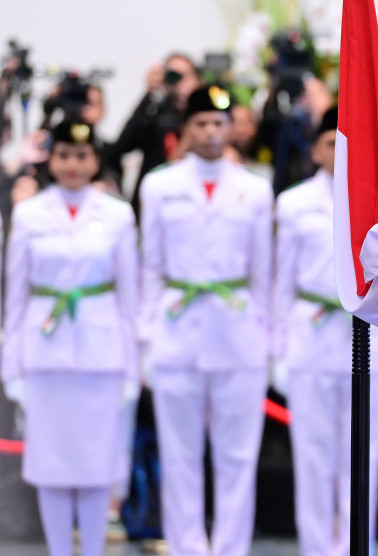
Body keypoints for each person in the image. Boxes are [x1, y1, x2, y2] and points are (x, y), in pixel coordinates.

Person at [138, 85, 272, 556]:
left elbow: (264, 270)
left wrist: (267, 336)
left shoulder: (255, 187)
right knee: (179, 456)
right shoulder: (159, 185)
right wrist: (146, 338)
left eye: (219, 123)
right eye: (201, 123)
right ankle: (187, 547)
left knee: (238, 455)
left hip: (238, 332)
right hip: (177, 330)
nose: (211, 132)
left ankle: (231, 548)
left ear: (231, 127)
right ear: (186, 130)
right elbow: (150, 266)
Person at [272, 106, 378, 555]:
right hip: (310, 337)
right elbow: (279, 280)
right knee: (312, 455)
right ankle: (316, 548)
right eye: (331, 143)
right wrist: (277, 350)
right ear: (315, 149)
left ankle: (359, 547)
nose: (339, 152)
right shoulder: (292, 203)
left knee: (362, 454)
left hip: (369, 333)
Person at [2, 119, 139, 556]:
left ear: (96, 161)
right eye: (64, 155)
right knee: (51, 465)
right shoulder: (29, 213)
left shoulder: (118, 213)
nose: (73, 165)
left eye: (82, 156)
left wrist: (132, 370)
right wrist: (11, 366)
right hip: (45, 356)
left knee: (97, 466)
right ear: (51, 160)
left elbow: (129, 297)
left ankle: (94, 549)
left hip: (102, 356)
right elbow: (17, 297)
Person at [108, 53, 202, 217]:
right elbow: (121, 147)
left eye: (184, 76)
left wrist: (195, 101)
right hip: (150, 206)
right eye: (172, 76)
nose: (179, 83)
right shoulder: (154, 112)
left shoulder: (206, 119)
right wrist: (149, 94)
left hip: (192, 206)